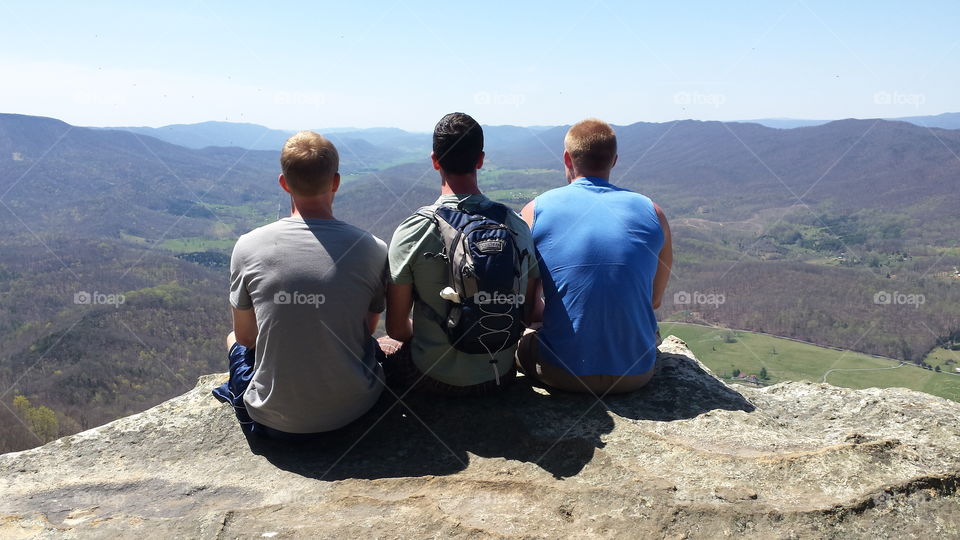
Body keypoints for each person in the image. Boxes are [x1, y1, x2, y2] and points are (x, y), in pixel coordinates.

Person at [212, 131, 388, 438]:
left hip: (275, 425)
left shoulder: (247, 246)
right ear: (336, 182)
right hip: (356, 412)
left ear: (283, 183)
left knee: (231, 338)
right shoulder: (373, 248)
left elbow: (246, 337)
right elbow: (367, 330)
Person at [380, 112, 539, 396]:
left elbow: (396, 328)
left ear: (434, 160)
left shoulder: (414, 230)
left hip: (432, 377)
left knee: (383, 345)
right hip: (499, 374)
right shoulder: (515, 226)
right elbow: (525, 312)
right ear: (480, 160)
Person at [517, 118, 673, 394]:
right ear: (614, 161)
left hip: (561, 373)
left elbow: (525, 307)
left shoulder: (535, 211)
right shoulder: (653, 212)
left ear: (567, 158)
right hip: (636, 374)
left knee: (521, 336)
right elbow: (654, 300)